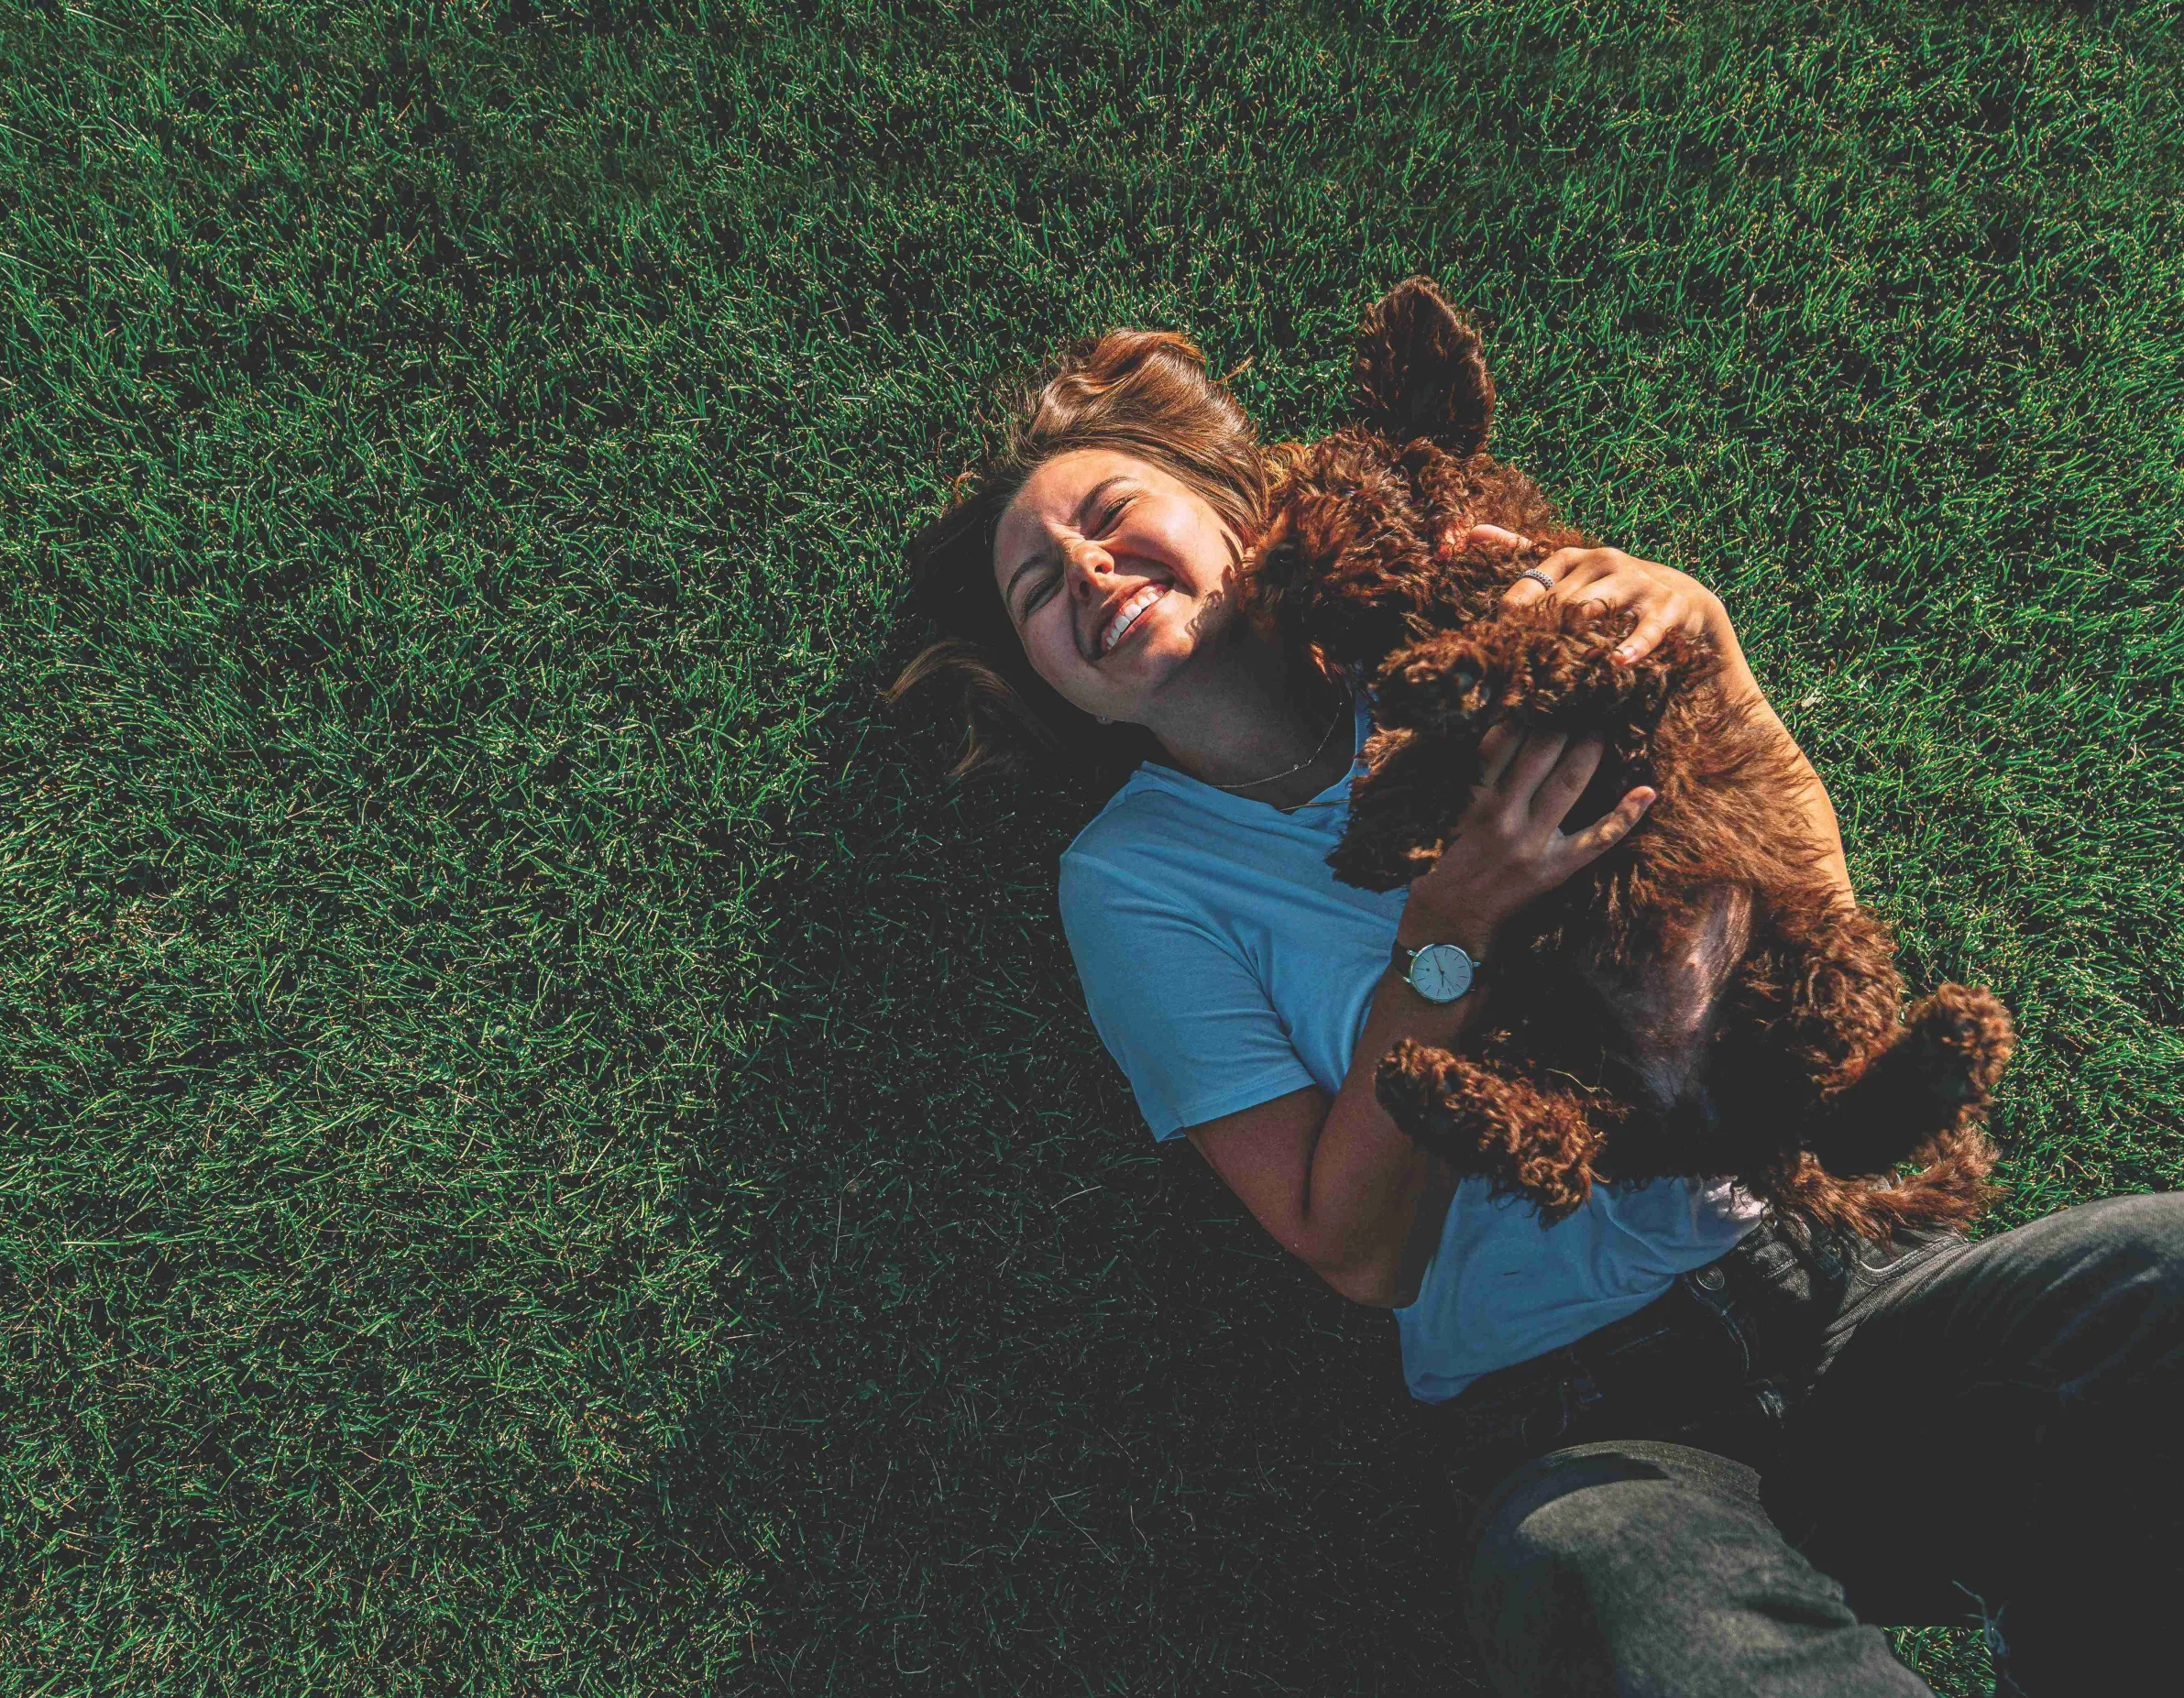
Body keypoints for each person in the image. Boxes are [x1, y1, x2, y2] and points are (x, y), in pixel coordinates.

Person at [888, 325, 2182, 1696]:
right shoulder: (1133, 881)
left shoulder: (1461, 613)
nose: (1089, 571)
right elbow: (1353, 1249)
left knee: (2159, 1279)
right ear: (1050, 683)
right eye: (1040, 586)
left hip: (1838, 1279)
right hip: (1582, 1411)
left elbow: (1797, 908)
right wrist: (1446, 935)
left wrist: (1718, 656)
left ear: (1227, 508)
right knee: (1611, 1580)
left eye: (1108, 515)